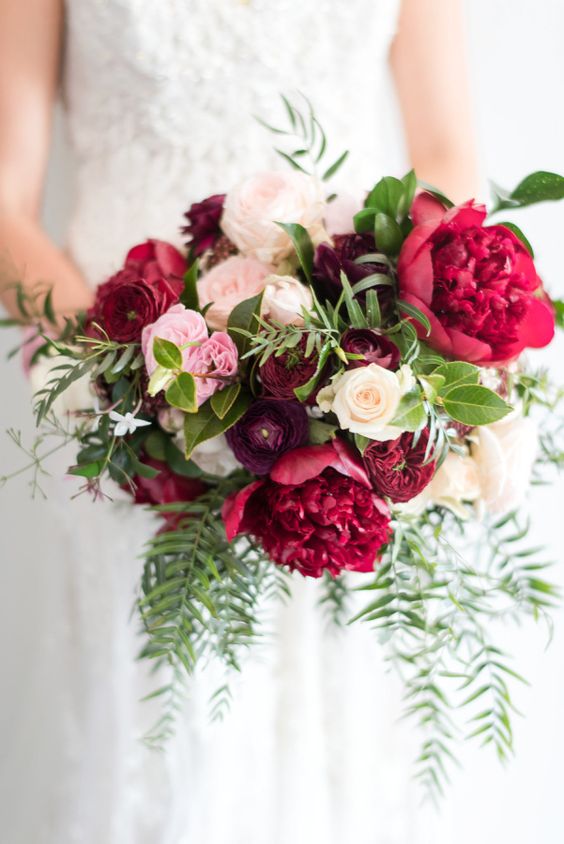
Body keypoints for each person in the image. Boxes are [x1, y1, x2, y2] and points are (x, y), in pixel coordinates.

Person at [0, 1, 479, 842]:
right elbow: (4, 202)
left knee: (344, 695)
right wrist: (132, 372)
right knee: (164, 714)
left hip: (348, 386)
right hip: (130, 411)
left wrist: (392, 352)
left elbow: (445, 156)